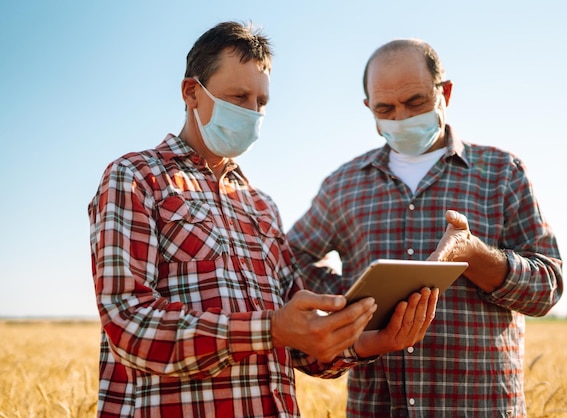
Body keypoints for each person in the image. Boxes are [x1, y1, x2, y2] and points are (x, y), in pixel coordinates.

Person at [88, 23, 438, 417]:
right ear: (191, 93)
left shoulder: (260, 206)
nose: (251, 113)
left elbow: (299, 342)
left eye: (260, 102)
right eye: (238, 97)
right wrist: (269, 328)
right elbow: (128, 323)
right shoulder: (137, 178)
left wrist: (372, 341)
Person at [287, 38, 564, 417]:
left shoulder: (502, 172)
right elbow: (289, 260)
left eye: (415, 102)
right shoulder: (343, 184)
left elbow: (547, 288)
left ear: (444, 92)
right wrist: (352, 300)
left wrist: (472, 254)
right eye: (385, 108)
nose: (401, 117)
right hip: (377, 405)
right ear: (369, 108)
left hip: (480, 406)